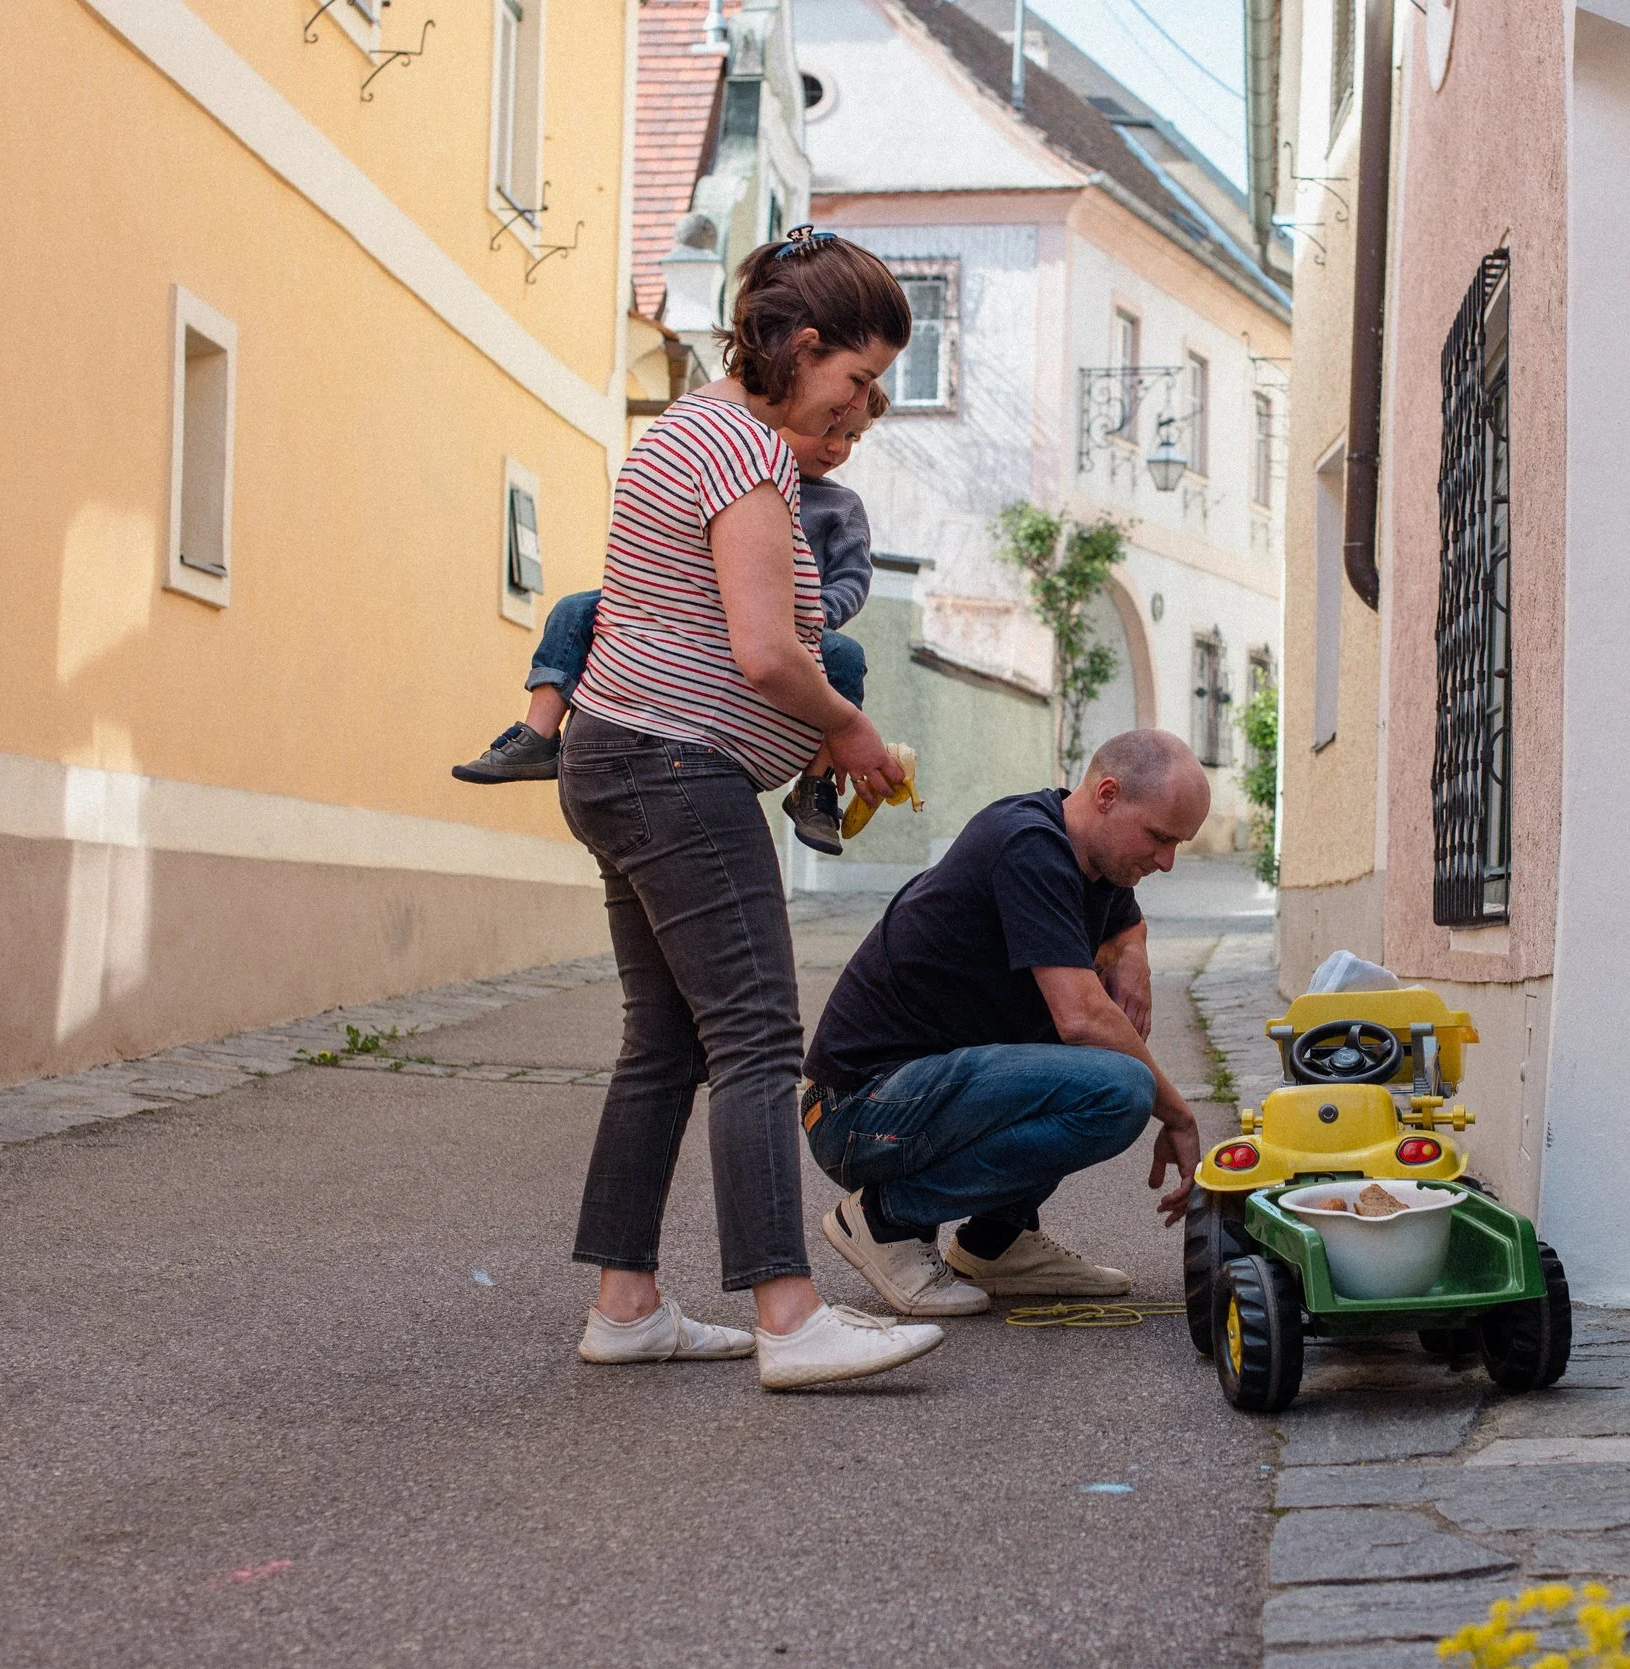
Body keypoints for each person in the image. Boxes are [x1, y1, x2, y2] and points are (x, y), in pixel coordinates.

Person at [557, 225, 938, 1390]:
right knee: (759, 1039)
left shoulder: (688, 429)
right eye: (859, 381)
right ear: (802, 345)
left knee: (663, 1045)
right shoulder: (745, 454)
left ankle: (627, 1304)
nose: (863, 410)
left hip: (618, 756)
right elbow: (768, 655)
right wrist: (852, 729)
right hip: (677, 770)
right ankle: (790, 1314)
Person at [797, 730, 1212, 1317]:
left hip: (914, 1092)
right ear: (1108, 795)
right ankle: (883, 1221)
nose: (1166, 862)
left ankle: (998, 1241)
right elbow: (1079, 1016)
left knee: (1101, 1054)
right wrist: (1180, 1113)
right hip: (857, 1109)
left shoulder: (1095, 858)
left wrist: (1133, 957)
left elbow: (1124, 920)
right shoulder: (1028, 846)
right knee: (1119, 1088)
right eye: (1160, 838)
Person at [452, 384, 889, 853]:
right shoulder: (735, 459)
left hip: (782, 632)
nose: (836, 447)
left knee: (846, 659)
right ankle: (537, 734)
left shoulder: (841, 507)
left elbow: (851, 579)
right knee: (574, 608)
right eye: (830, 428)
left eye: (852, 437)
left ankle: (815, 787)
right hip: (682, 609)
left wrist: (817, 611)